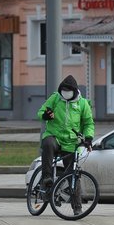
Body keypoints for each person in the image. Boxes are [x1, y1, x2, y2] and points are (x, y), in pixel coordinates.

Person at [37, 75, 95, 210]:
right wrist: (45, 115)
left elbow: (88, 123)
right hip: (54, 136)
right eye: (63, 90)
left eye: (68, 91)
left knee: (73, 175)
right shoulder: (55, 98)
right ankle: (46, 178)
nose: (65, 93)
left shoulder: (82, 103)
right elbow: (40, 111)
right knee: (48, 144)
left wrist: (88, 138)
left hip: (71, 142)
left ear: (74, 91)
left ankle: (77, 207)